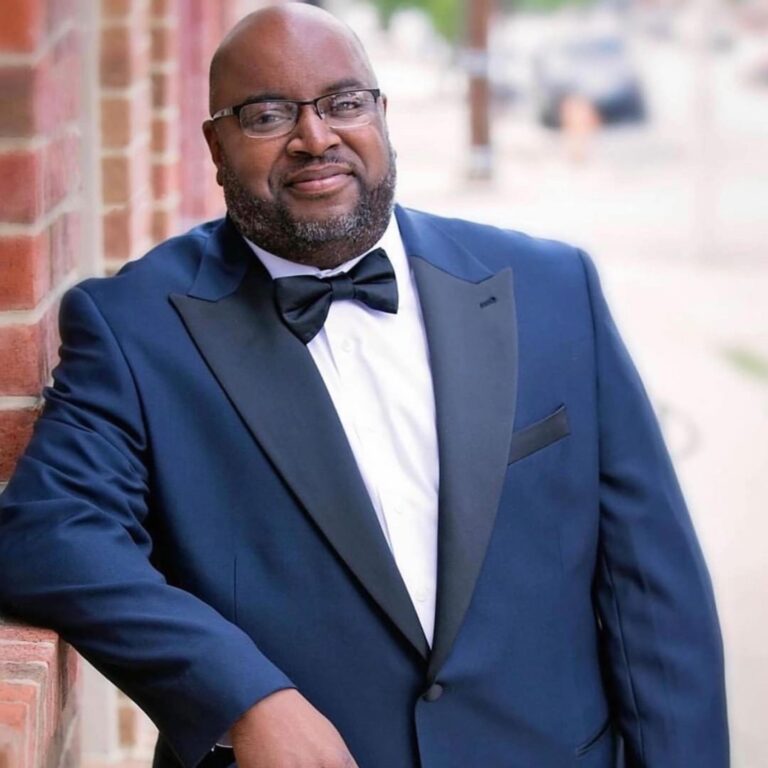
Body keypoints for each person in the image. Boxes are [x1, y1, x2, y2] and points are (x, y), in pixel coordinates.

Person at [0, 4, 728, 768]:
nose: (316, 138)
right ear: (216, 146)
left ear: (382, 115)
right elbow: (47, 533)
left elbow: (654, 595)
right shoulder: (137, 328)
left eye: (344, 103)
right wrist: (242, 696)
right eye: (268, 114)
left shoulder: (551, 290)